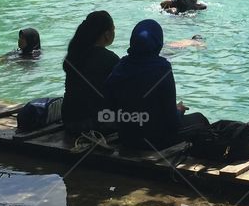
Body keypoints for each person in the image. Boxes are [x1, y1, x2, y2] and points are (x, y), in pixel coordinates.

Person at [105, 19, 209, 151]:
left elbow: (109, 104)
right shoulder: (162, 69)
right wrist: (179, 110)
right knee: (200, 119)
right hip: (155, 140)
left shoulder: (120, 67)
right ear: (158, 42)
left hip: (127, 138)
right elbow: (172, 122)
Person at [62, 11, 120, 136]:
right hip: (97, 124)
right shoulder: (110, 59)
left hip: (69, 120)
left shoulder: (74, 55)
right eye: (114, 29)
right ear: (107, 34)